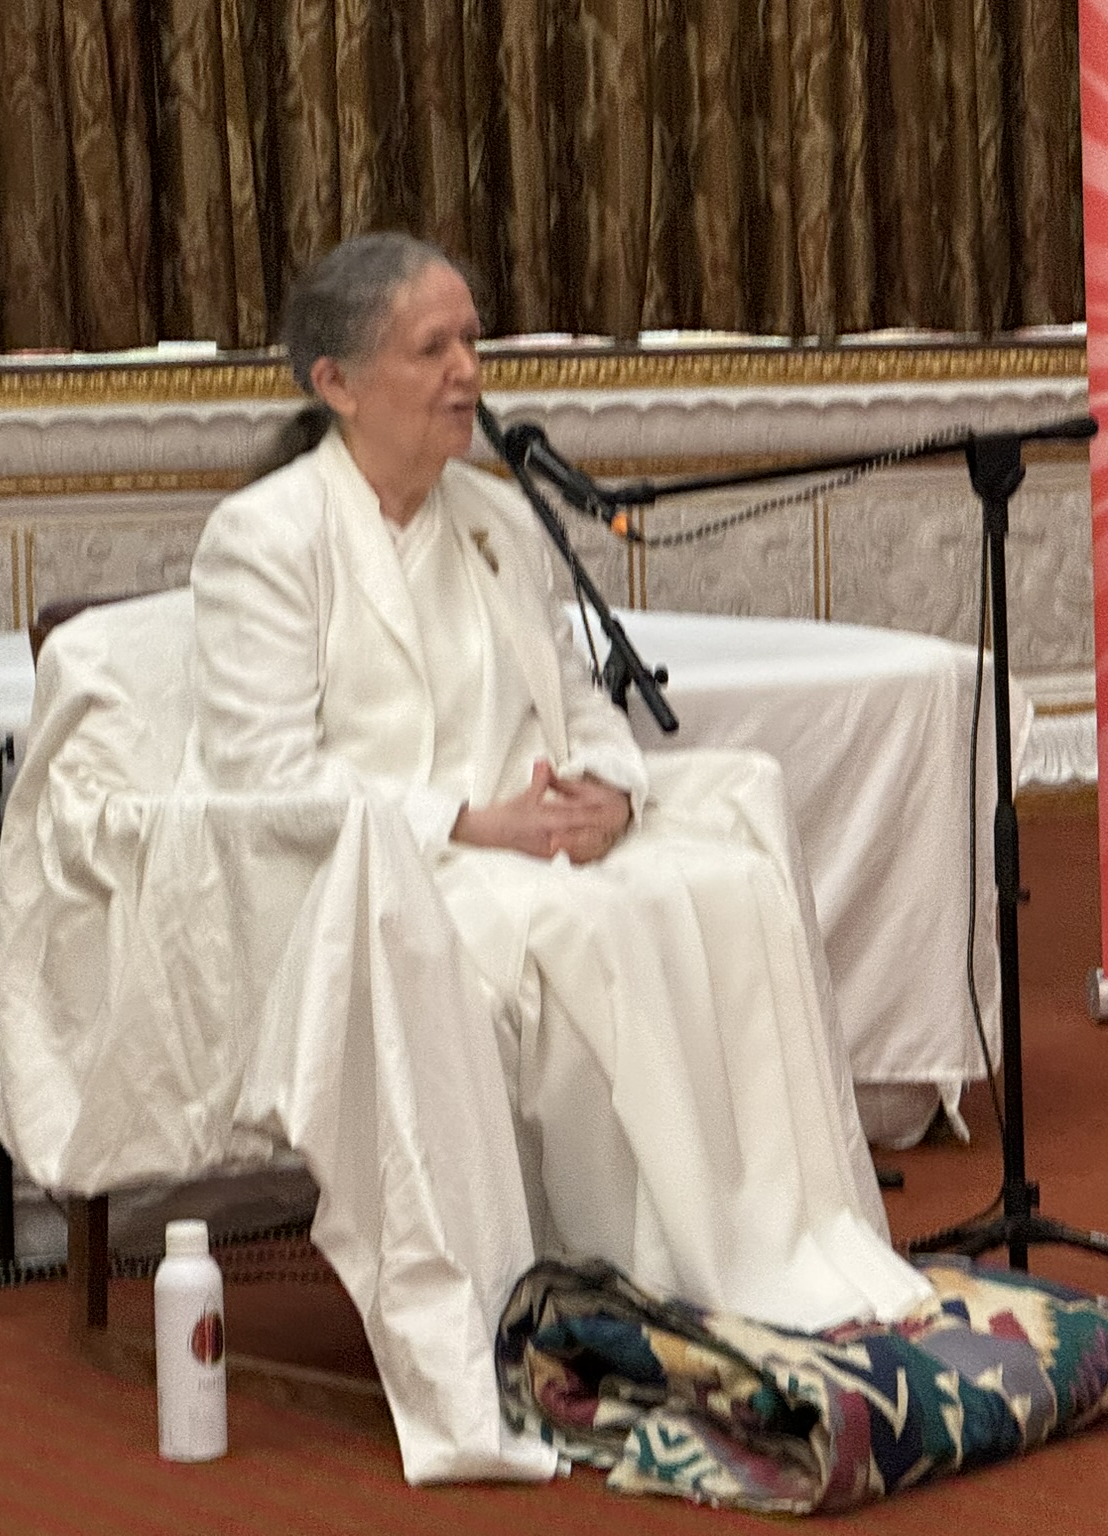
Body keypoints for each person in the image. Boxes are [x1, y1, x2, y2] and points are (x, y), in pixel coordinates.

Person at [186, 232, 931, 1482]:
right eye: (433, 349)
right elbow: (264, 777)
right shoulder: (265, 538)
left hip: (527, 849)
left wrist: (609, 797)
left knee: (719, 876)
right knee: (582, 930)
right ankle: (632, 1293)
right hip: (386, 879)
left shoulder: (497, 519)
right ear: (336, 382)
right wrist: (470, 824)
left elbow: (583, 703)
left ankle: (754, 1258)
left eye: (472, 341)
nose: (468, 371)